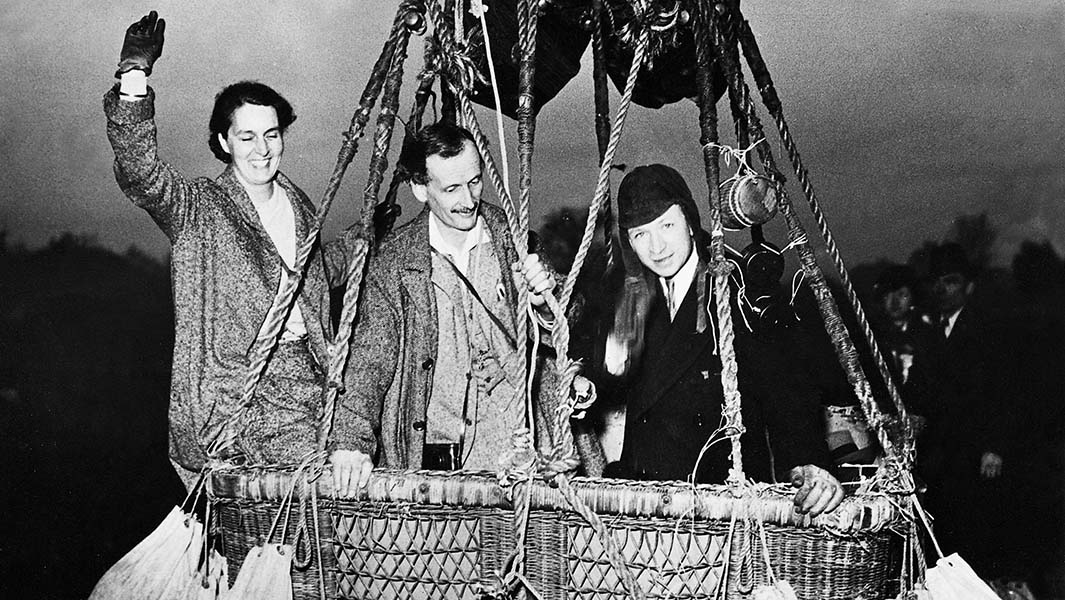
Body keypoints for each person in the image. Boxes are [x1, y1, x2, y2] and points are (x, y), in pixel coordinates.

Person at [104, 12, 364, 490]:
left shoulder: (300, 205)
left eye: (272, 134)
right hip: (244, 403)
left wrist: (364, 236)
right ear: (224, 142)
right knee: (328, 492)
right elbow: (141, 171)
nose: (262, 149)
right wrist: (134, 75)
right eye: (247, 136)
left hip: (315, 382)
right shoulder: (199, 209)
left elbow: (309, 277)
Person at [600, 164, 843, 517]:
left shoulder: (739, 286)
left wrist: (809, 464)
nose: (656, 247)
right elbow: (601, 365)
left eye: (666, 226)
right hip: (644, 508)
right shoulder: (631, 294)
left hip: (719, 509)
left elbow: (787, 387)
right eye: (640, 234)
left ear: (689, 219)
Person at [334, 122, 559, 493]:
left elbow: (569, 321)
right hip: (432, 461)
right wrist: (350, 442)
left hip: (515, 458)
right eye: (452, 188)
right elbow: (369, 360)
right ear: (420, 189)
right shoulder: (393, 262)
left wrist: (545, 304)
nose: (469, 200)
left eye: (475, 181)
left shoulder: (515, 240)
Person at [919, 242, 1014, 576]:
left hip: (977, 454)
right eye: (937, 281)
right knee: (942, 537)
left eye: (952, 281)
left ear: (969, 287)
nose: (942, 288)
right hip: (940, 455)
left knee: (976, 537)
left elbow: (1003, 394)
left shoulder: (989, 332)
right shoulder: (932, 333)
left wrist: (995, 447)